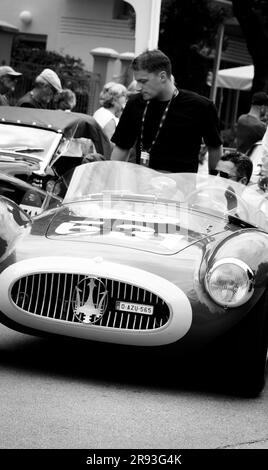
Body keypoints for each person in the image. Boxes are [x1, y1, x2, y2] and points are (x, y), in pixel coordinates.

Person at [110, 49, 222, 173]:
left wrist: (215, 181)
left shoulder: (201, 106)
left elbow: (215, 147)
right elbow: (121, 147)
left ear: (162, 76)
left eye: (143, 81)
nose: (138, 87)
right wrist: (112, 178)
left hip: (182, 188)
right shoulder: (135, 104)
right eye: (137, 81)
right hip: (142, 185)